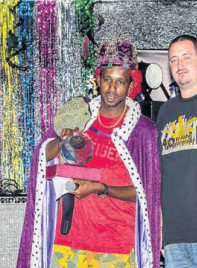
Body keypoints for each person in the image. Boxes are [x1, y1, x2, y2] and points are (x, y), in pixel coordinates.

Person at [17, 40, 161, 268]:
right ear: (98, 80)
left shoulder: (142, 131)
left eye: (120, 82)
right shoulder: (79, 114)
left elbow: (147, 194)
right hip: (69, 243)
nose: (112, 89)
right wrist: (60, 141)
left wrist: (101, 188)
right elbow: (41, 159)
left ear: (131, 84)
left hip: (118, 247)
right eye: (107, 80)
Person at [158, 35, 197, 267]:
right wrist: (160, 228)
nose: (179, 65)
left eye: (186, 57)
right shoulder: (165, 112)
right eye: (173, 60)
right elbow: (161, 175)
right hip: (173, 240)